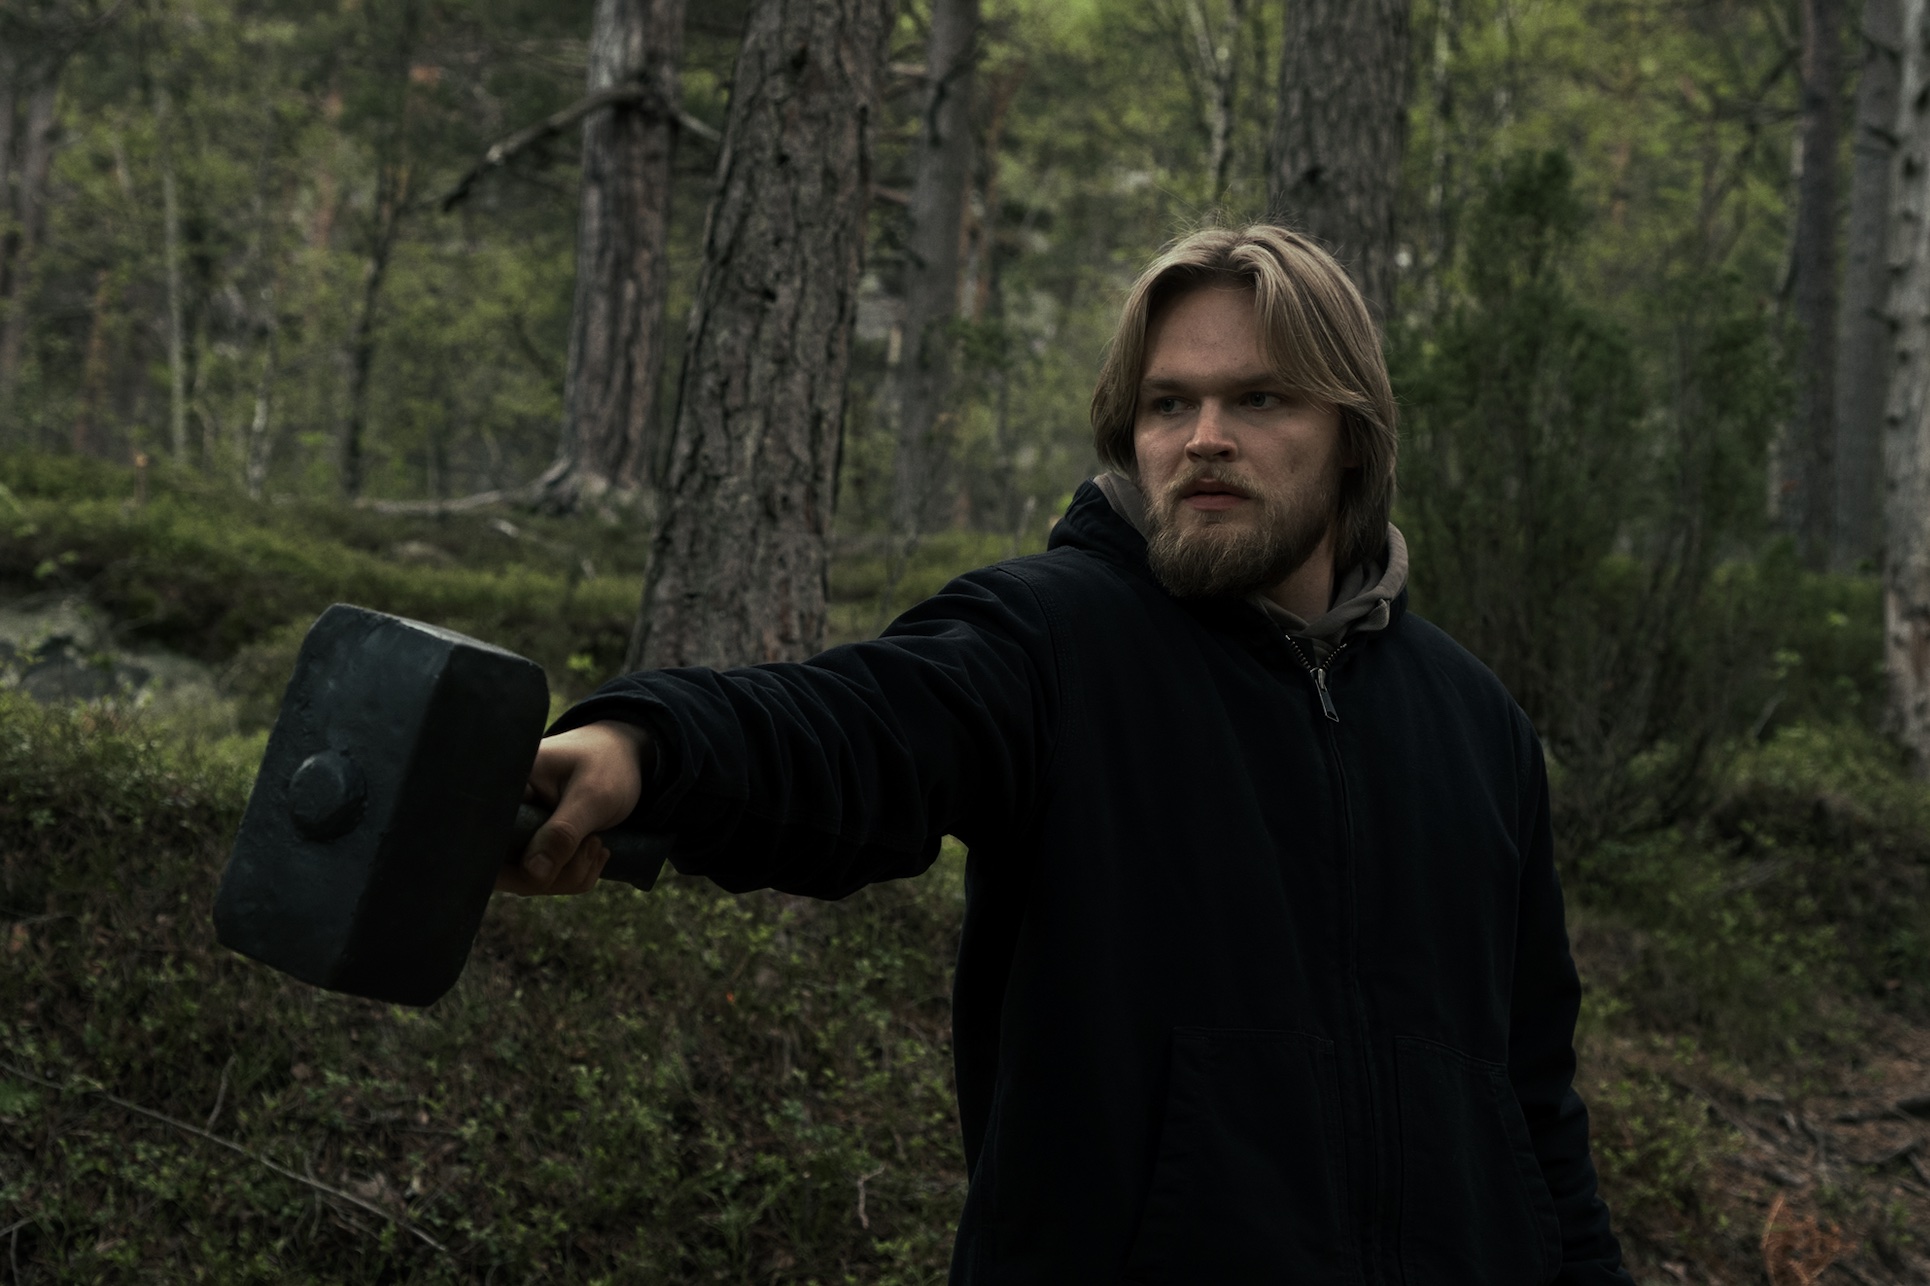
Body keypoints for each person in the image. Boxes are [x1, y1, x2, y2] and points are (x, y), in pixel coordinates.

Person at [497, 224, 1634, 1284]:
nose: (1204, 437)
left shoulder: (1475, 725)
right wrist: (646, 743)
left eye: (1260, 397)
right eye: (1168, 403)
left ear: (1352, 436)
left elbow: (1534, 1108)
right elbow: (857, 727)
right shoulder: (1052, 639)